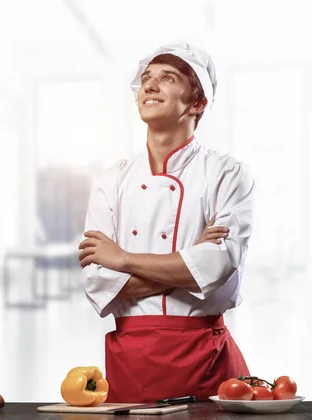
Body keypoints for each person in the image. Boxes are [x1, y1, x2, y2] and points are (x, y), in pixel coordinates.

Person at [78, 41, 254, 403]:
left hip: (206, 360)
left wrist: (123, 259)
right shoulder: (111, 180)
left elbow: (219, 264)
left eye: (168, 78)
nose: (150, 86)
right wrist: (189, 263)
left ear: (197, 103)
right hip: (131, 359)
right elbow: (97, 280)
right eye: (147, 79)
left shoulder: (228, 173)